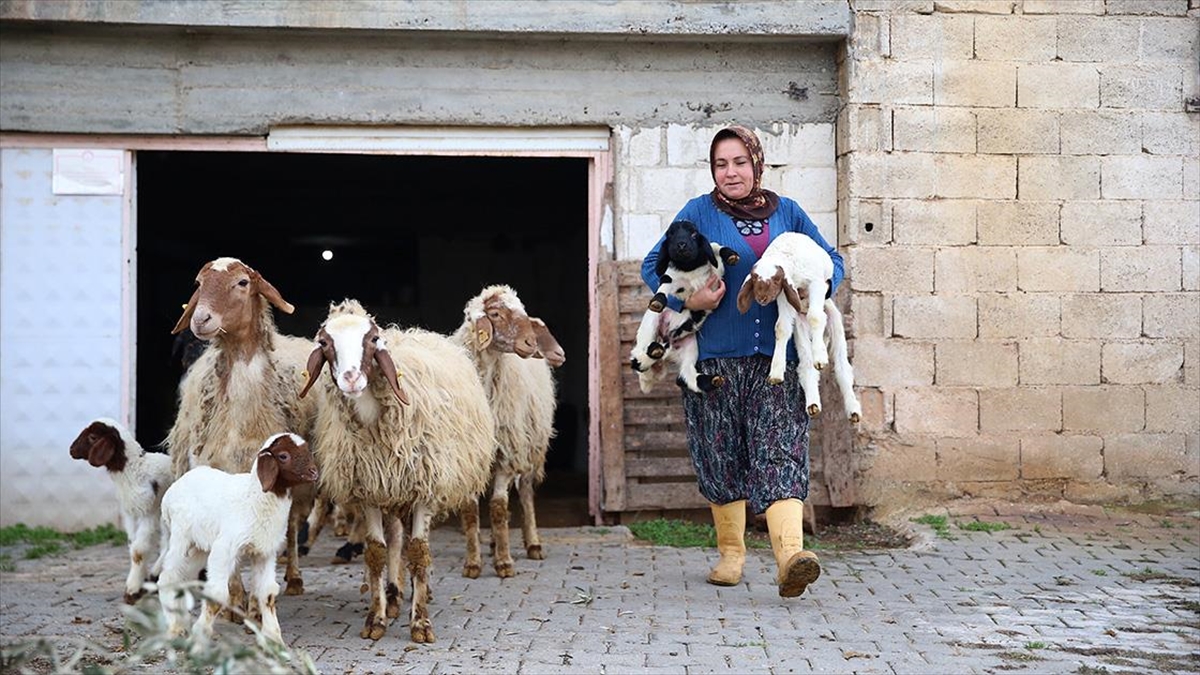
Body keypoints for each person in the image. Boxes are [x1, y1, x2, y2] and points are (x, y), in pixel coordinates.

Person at [640, 125, 844, 598]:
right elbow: (653, 266)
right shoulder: (697, 213)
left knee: (781, 452)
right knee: (720, 455)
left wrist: (812, 292)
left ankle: (790, 557)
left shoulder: (788, 213)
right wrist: (689, 303)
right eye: (720, 164)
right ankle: (731, 555)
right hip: (714, 363)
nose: (730, 172)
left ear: (757, 163)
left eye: (738, 162)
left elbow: (832, 261)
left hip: (779, 361)